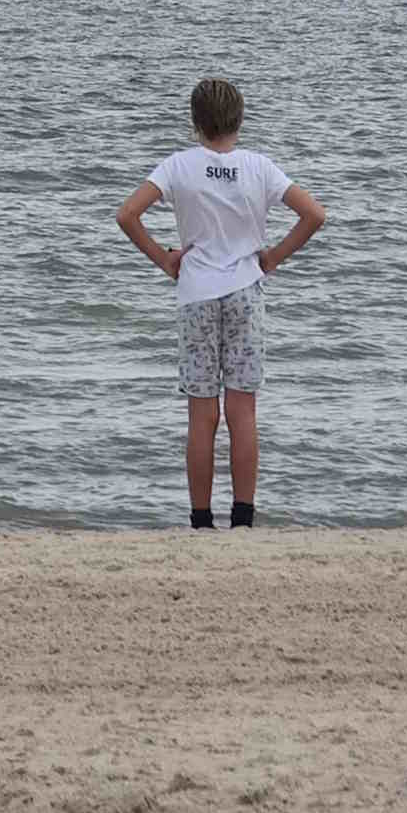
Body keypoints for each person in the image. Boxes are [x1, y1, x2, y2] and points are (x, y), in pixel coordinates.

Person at [113, 76, 328, 529]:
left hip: (196, 294)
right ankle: (244, 518)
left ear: (195, 122)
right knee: (242, 410)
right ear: (240, 119)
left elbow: (127, 215)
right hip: (246, 291)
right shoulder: (259, 167)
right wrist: (270, 258)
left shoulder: (178, 166)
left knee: (202, 412)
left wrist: (165, 260)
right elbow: (314, 214)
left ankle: (201, 520)